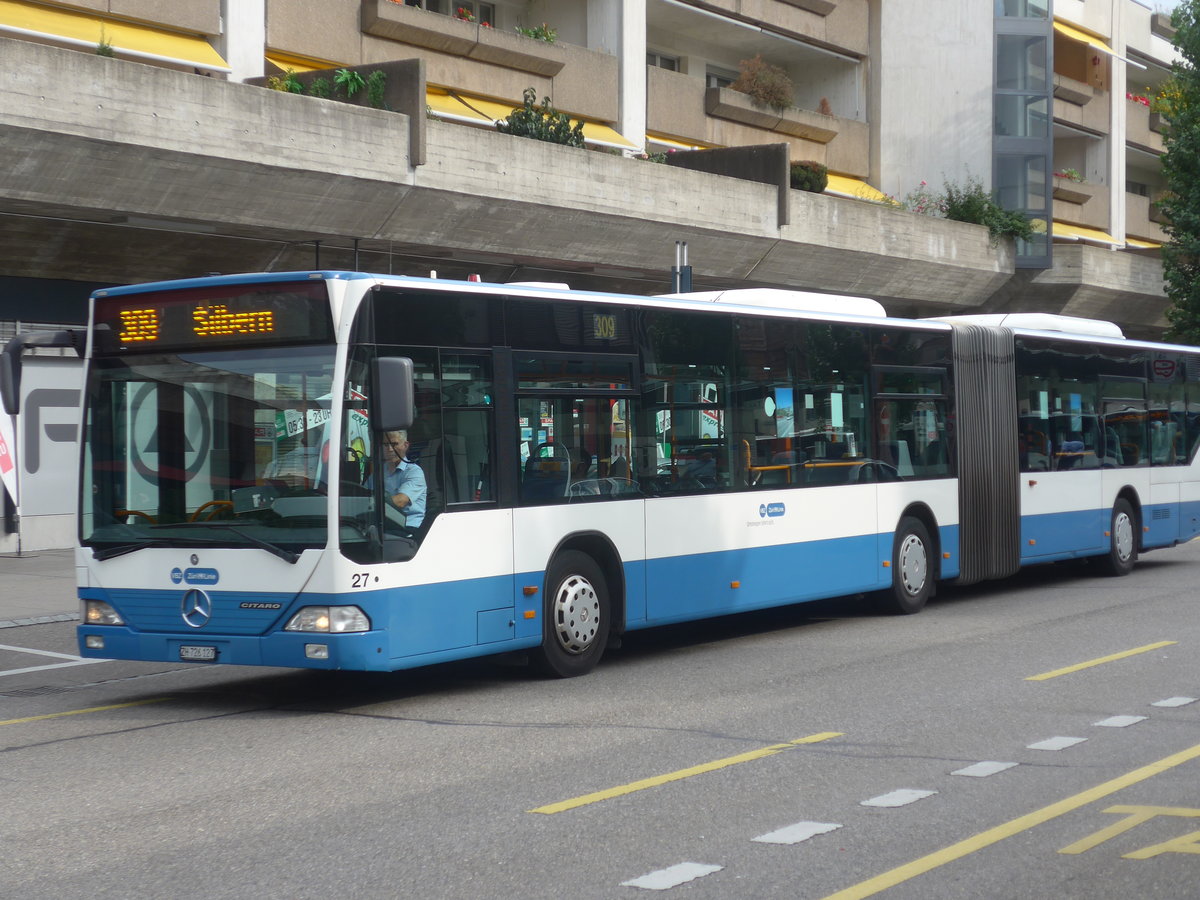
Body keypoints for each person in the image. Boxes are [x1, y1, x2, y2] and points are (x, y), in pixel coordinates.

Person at [381, 429, 426, 529]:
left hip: (408, 528)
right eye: (385, 445)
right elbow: (365, 495)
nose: (390, 449)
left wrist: (371, 504)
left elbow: (400, 501)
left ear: (405, 445)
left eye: (394, 444)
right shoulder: (379, 471)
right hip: (384, 525)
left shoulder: (414, 471)